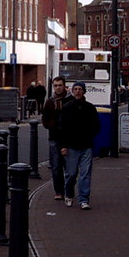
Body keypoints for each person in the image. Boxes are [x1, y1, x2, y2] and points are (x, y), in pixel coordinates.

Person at [59, 81, 100, 209]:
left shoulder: (90, 108)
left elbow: (96, 126)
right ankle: (69, 194)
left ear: (84, 91)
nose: (77, 91)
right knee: (71, 174)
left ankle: (83, 199)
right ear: (72, 91)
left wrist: (90, 135)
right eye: (75, 89)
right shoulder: (67, 107)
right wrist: (63, 146)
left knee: (85, 174)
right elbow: (62, 128)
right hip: (71, 146)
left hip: (86, 145)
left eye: (80, 89)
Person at [40, 76, 73, 201]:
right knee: (56, 166)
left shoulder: (70, 100)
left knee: (70, 167)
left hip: (69, 138)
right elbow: (45, 117)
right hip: (54, 137)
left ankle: (69, 190)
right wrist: (50, 125)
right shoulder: (50, 101)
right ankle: (58, 191)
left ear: (64, 86)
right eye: (56, 85)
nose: (58, 88)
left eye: (60, 85)